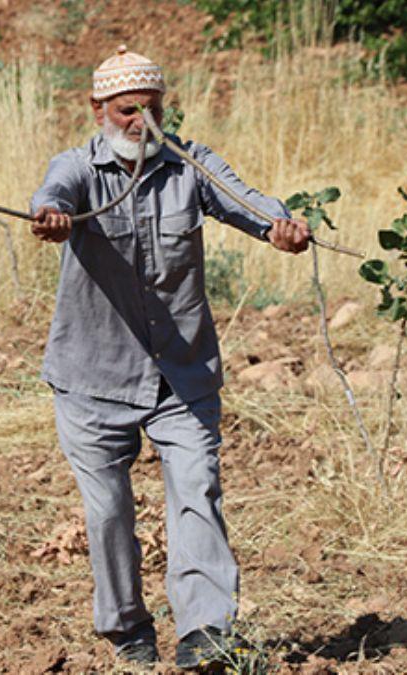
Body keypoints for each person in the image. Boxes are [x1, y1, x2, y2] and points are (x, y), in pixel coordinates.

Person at [29, 45, 310, 670]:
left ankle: (205, 637)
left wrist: (281, 227)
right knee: (107, 512)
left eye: (153, 109)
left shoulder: (191, 164)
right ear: (99, 109)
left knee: (197, 491)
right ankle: (127, 627)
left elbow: (250, 202)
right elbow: (52, 193)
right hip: (91, 378)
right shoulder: (78, 169)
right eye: (130, 111)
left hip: (181, 374)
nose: (143, 123)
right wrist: (49, 217)